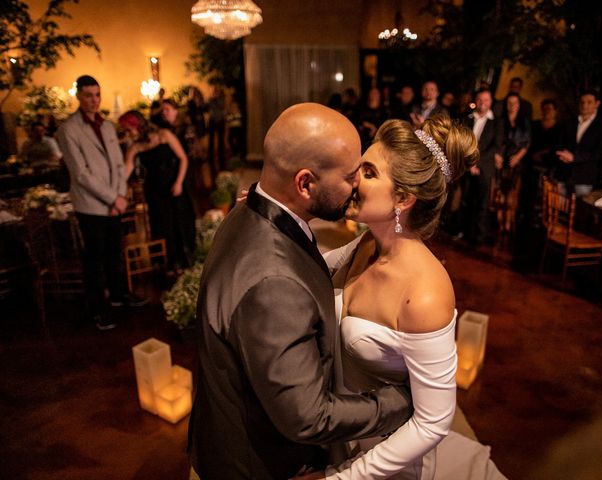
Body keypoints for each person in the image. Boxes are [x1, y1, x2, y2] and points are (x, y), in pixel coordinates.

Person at [188, 103, 413, 480]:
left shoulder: (249, 211)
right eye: (349, 175)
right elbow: (309, 417)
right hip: (255, 464)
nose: (357, 183)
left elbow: (302, 265)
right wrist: (402, 400)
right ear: (305, 183)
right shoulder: (274, 285)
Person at [307, 115, 503, 479]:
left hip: (384, 458)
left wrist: (342, 478)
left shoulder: (425, 295)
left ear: (402, 197)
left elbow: (433, 422)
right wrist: (276, 219)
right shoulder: (367, 243)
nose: (353, 179)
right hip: (337, 426)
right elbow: (308, 269)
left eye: (367, 173)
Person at [57, 75, 147, 331]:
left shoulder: (107, 126)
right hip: (91, 205)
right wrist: (111, 198)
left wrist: (120, 195)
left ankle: (120, 295)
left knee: (114, 253)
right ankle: (98, 308)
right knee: (94, 259)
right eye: (88, 95)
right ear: (78, 96)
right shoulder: (68, 130)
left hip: (114, 202)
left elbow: (119, 165)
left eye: (97, 95)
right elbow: (81, 173)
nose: (94, 100)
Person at [119, 110, 195, 273]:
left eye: (128, 129)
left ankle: (185, 261)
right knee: (162, 225)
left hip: (174, 184)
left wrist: (179, 182)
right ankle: (169, 263)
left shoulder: (164, 134)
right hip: (154, 190)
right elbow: (125, 172)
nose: (127, 133)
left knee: (179, 222)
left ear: (138, 126)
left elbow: (183, 158)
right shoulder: (135, 147)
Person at [461, 88, 503, 245]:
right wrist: (469, 163)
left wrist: (476, 162)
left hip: (484, 167)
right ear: (475, 101)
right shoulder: (467, 118)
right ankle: (464, 231)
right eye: (480, 99)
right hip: (466, 166)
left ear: (490, 102)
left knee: (482, 203)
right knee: (466, 200)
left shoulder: (497, 122)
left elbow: (496, 146)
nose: (482, 103)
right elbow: (462, 141)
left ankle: (478, 237)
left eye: (486, 100)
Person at [553, 89, 602, 197]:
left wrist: (574, 157)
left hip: (584, 177)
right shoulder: (569, 122)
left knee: (580, 210)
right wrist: (562, 154)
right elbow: (558, 143)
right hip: (563, 173)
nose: (585, 105)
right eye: (582, 102)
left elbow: (601, 152)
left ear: (597, 104)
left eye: (589, 102)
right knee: (558, 209)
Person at [495, 92, 531, 237]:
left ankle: (508, 224)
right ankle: (499, 224)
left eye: (515, 103)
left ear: (519, 104)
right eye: (509, 103)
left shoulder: (525, 122)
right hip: (501, 159)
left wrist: (517, 157)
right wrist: (497, 155)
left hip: (516, 161)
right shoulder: (500, 120)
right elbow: (496, 140)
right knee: (499, 192)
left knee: (512, 193)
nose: (512, 106)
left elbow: (527, 143)